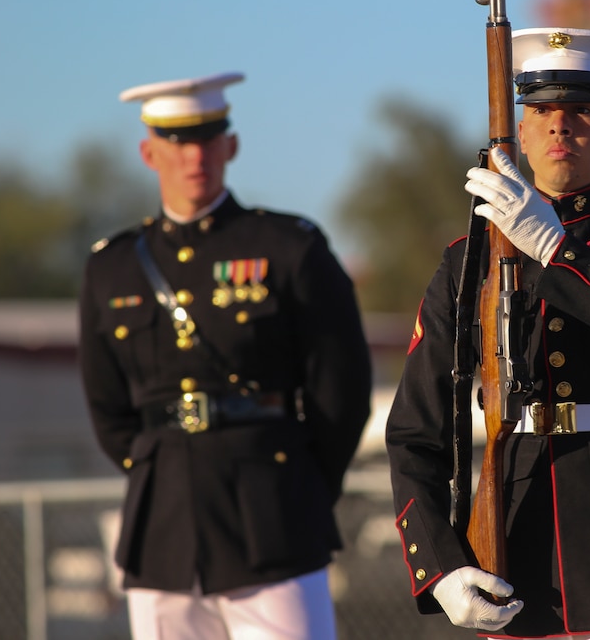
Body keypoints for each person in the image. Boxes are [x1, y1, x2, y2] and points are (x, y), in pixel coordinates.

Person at [385, 28, 590, 639]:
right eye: (540, 112)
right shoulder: (469, 260)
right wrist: (440, 568)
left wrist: (555, 250)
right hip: (517, 544)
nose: (559, 128)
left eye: (582, 113)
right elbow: (415, 431)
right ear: (516, 132)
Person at [78, 71, 372, 640]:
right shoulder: (109, 267)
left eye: (209, 138)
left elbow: (341, 388)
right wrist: (159, 471)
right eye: (177, 141)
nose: (195, 155)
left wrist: (302, 484)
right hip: (161, 527)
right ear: (148, 152)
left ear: (231, 146)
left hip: (274, 519)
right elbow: (107, 406)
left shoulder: (289, 248)